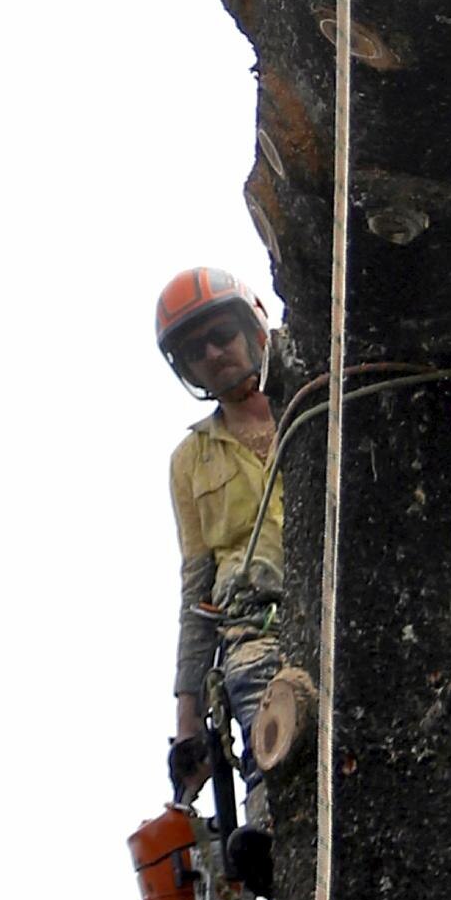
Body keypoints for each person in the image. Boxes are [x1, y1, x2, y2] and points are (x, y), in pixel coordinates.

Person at [155, 267, 282, 861]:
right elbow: (195, 596)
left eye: (221, 334)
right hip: (253, 623)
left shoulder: (319, 405)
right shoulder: (191, 461)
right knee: (260, 685)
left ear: (252, 327)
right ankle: (274, 819)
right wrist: (187, 721)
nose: (213, 353)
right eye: (194, 349)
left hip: (350, 592)